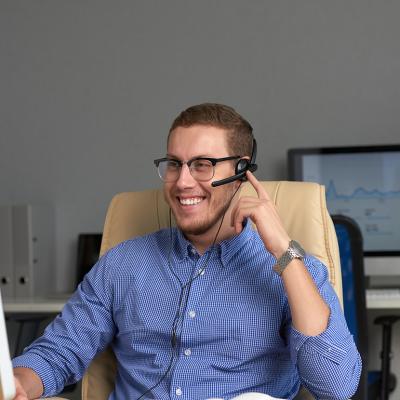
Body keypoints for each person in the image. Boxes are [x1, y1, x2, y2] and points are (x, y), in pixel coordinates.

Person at [13, 103, 361, 400]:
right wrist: (18, 384)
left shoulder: (296, 271)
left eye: (202, 165)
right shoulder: (122, 264)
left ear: (240, 171)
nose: (182, 182)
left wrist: (283, 251)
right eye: (175, 164)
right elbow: (59, 352)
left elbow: (335, 386)